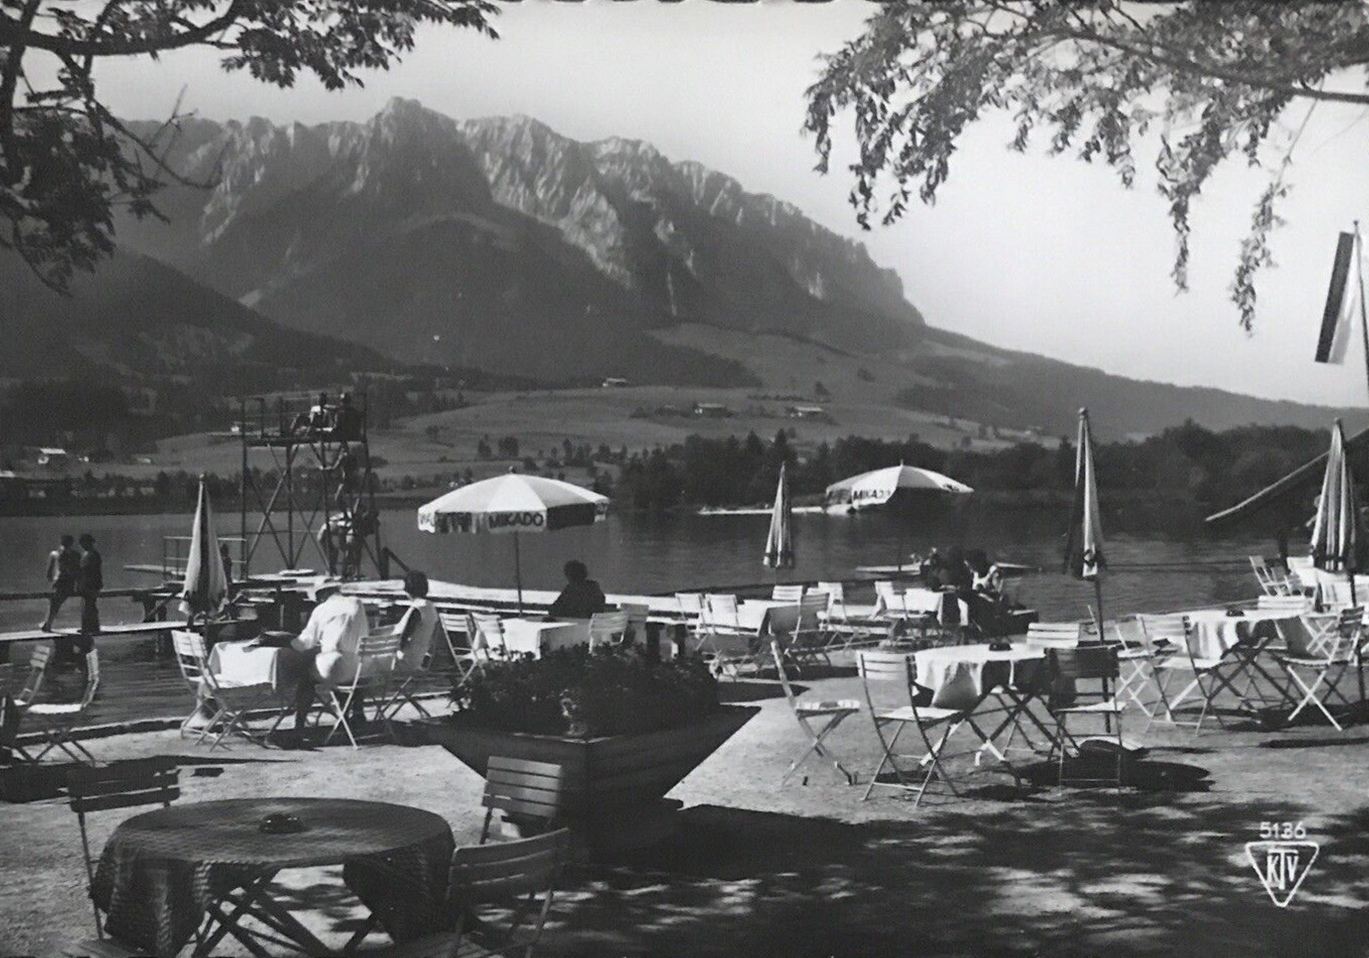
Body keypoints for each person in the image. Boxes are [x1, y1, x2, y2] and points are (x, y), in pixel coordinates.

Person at [290, 579, 370, 728]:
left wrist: (290, 642)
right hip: (358, 669)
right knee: (342, 668)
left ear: (322, 594)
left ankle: (299, 724)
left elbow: (306, 642)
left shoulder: (321, 609)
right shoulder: (357, 602)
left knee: (307, 677)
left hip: (334, 666)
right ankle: (350, 714)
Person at [396, 570, 446, 674]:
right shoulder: (431, 607)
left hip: (404, 660)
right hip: (418, 658)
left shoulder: (417, 609)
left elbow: (402, 639)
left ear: (408, 590)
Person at [40, 534, 80, 631]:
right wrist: (77, 582)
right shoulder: (75, 554)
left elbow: (49, 572)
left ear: (61, 542)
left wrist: (51, 581)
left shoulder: (55, 554)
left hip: (59, 581)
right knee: (56, 603)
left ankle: (48, 624)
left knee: (54, 602)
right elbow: (78, 570)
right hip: (69, 582)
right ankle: (47, 623)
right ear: (72, 543)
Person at [76, 533, 102, 640]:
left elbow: (88, 570)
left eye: (83, 543)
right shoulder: (90, 554)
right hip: (90, 583)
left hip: (90, 583)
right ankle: (90, 626)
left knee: (89, 605)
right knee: (88, 605)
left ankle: (89, 627)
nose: (81, 545)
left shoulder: (91, 554)